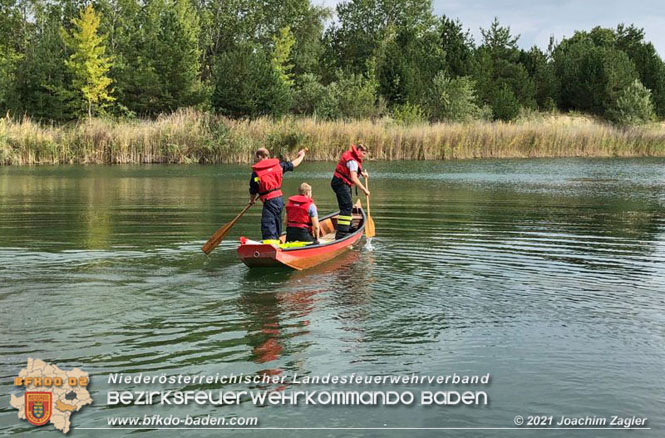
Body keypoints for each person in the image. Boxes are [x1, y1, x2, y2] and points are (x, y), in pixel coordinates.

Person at [249, 147, 306, 241]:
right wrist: (302, 156)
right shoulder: (278, 166)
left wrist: (252, 200)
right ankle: (276, 240)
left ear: (259, 156)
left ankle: (270, 246)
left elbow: (253, 189)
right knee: (276, 222)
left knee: (268, 224)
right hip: (279, 199)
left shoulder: (256, 173)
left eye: (256, 157)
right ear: (267, 156)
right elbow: (293, 164)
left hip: (269, 201)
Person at [330, 143, 369, 239]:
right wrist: (364, 190)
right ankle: (342, 233)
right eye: (363, 153)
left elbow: (351, 171)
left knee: (347, 205)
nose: (364, 156)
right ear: (359, 150)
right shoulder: (353, 161)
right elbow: (354, 178)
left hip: (339, 182)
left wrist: (362, 173)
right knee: (347, 207)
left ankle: (349, 227)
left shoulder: (351, 156)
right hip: (340, 183)